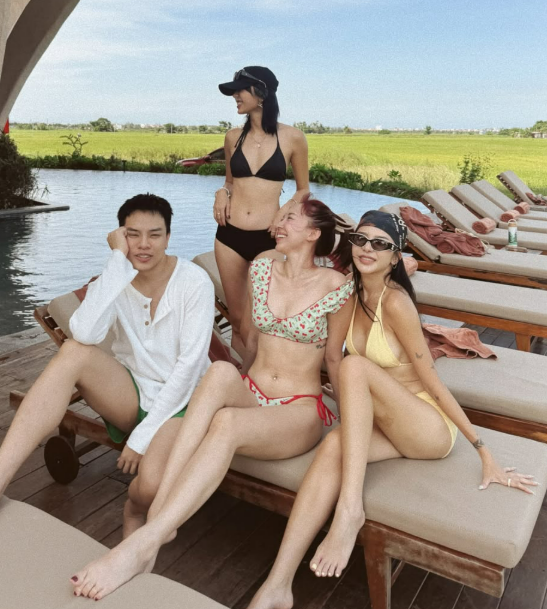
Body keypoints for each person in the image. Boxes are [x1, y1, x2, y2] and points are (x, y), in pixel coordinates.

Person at [69, 195, 354, 601]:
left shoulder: (337, 286)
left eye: (289, 218)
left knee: (227, 422)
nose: (277, 223)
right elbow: (250, 339)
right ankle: (161, 517)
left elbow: (334, 358)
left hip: (299, 407)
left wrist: (349, 421)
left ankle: (148, 537)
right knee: (220, 371)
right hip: (252, 390)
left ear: (312, 233)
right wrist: (234, 381)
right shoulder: (262, 268)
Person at [247, 210, 537, 609]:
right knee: (333, 446)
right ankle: (278, 584)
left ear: (395, 257)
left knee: (354, 367)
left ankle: (350, 511)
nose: (368, 249)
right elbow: (328, 354)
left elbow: (432, 381)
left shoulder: (396, 302)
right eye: (361, 240)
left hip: (427, 428)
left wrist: (483, 450)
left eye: (381, 244)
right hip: (389, 421)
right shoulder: (349, 295)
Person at [0, 194, 215, 540]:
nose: (143, 245)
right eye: (133, 234)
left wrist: (141, 439)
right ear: (120, 236)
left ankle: (135, 513)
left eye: (154, 235)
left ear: (168, 237)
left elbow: (189, 369)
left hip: (185, 404)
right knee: (73, 352)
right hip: (133, 395)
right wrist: (117, 262)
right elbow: (84, 333)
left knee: (151, 488)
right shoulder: (117, 277)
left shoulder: (194, 282)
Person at [214, 66, 309, 358]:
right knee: (237, 319)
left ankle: (259, 374)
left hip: (268, 238)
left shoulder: (293, 137)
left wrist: (284, 212)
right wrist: (221, 193)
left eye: (240, 90)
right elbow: (230, 182)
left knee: (255, 321)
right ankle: (242, 377)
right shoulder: (232, 137)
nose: (235, 96)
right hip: (228, 236)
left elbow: (303, 190)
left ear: (262, 93)